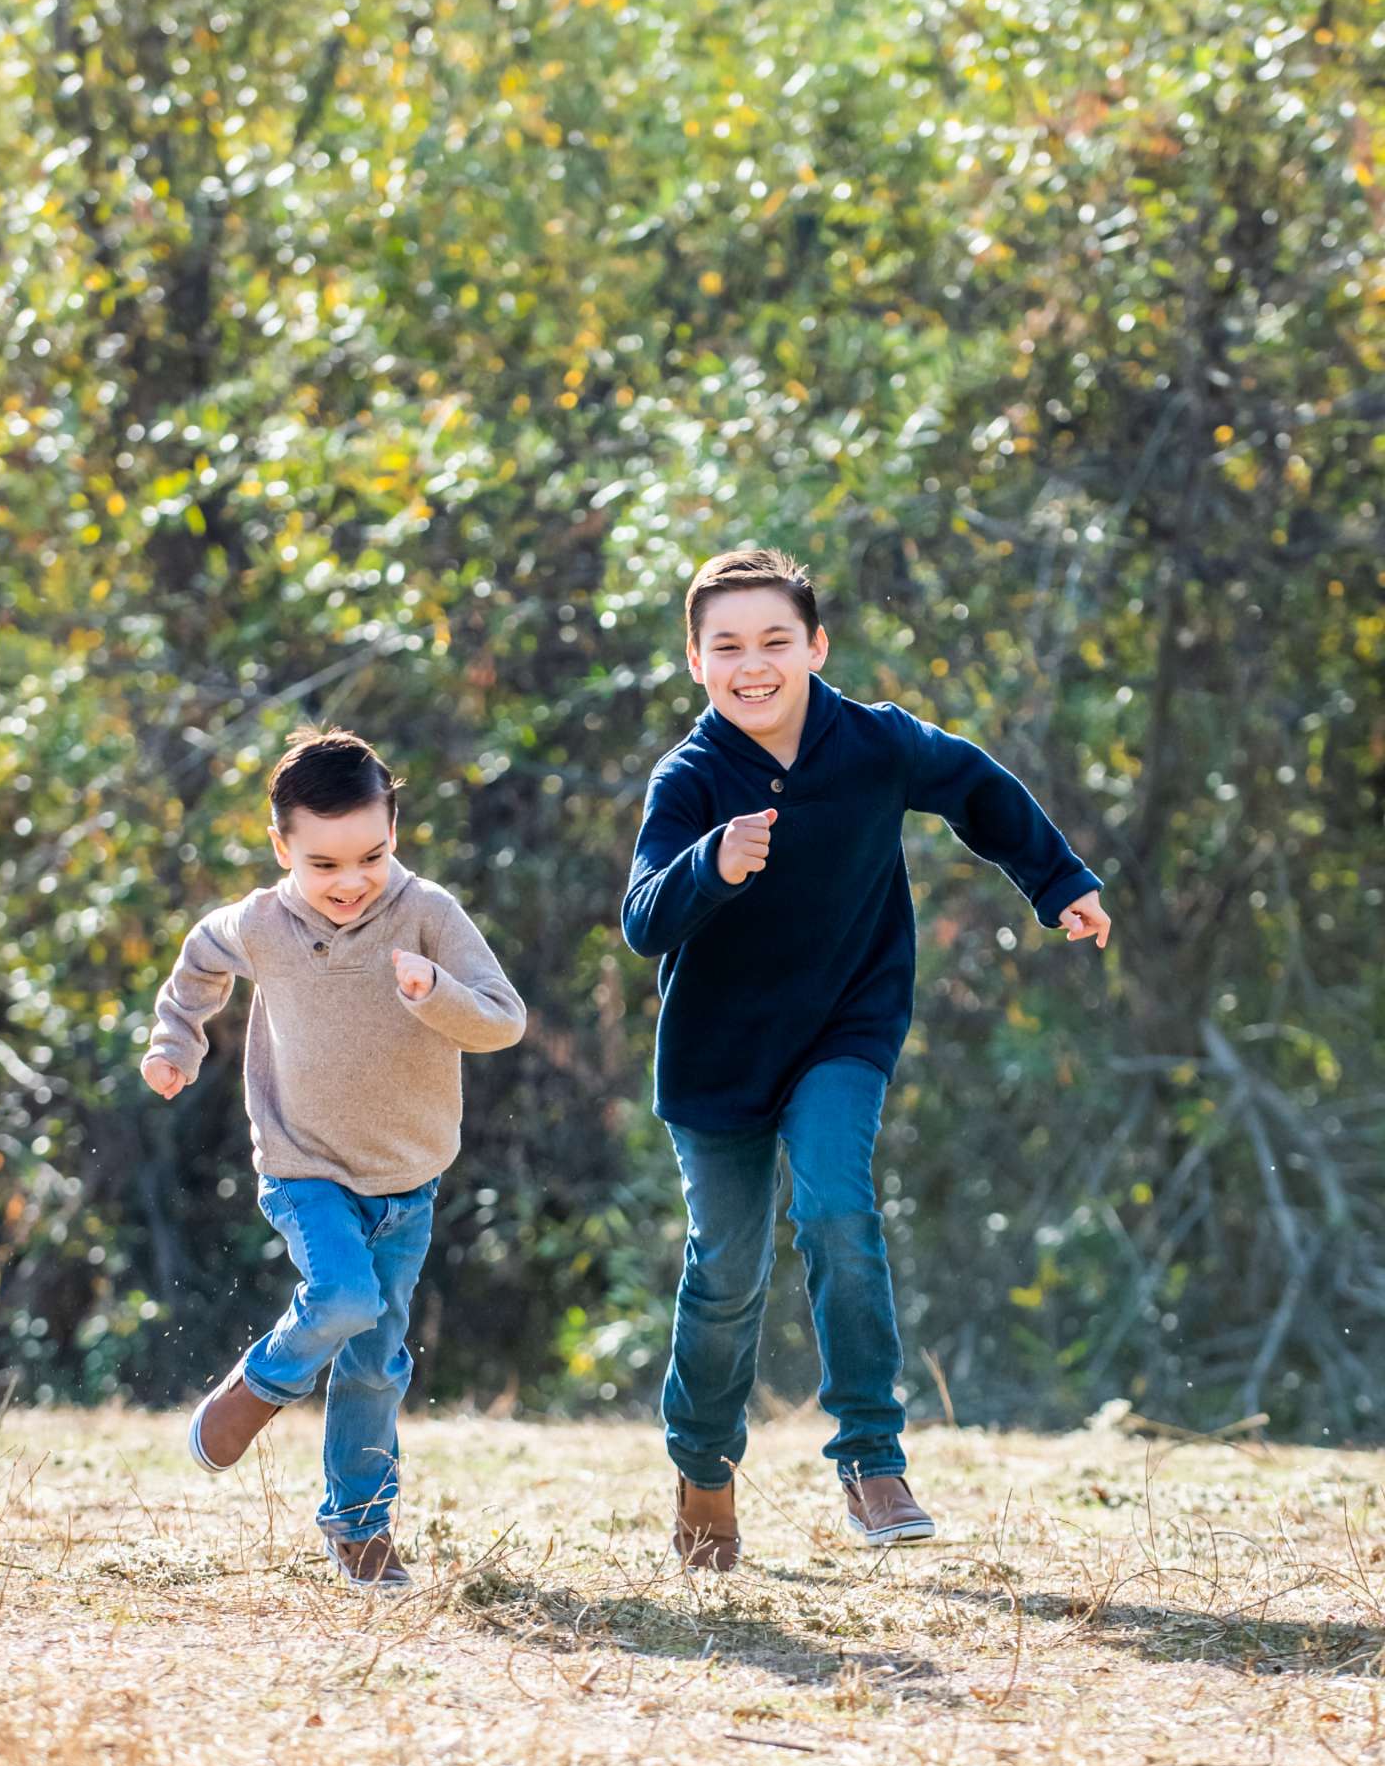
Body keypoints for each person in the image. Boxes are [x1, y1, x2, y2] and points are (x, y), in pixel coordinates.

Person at [622, 548, 1109, 1567]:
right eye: (726, 647)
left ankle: (871, 1462)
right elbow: (640, 920)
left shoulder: (875, 742)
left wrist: (1054, 880)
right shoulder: (690, 777)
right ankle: (704, 1471)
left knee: (838, 1205)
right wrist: (709, 864)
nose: (751, 665)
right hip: (717, 1058)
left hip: (845, 1025)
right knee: (727, 1273)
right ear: (694, 661)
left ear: (815, 647)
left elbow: (978, 786)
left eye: (773, 642)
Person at [140, 726, 525, 1587]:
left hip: (408, 1177)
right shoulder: (261, 923)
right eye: (323, 865)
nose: (351, 882)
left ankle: (358, 1526)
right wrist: (177, 1043)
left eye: (371, 856)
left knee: (377, 1358)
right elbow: (199, 963)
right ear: (282, 847)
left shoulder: (427, 913)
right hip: (303, 1163)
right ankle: (260, 1387)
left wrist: (436, 994)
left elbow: (503, 1019)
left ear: (394, 830)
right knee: (342, 1296)